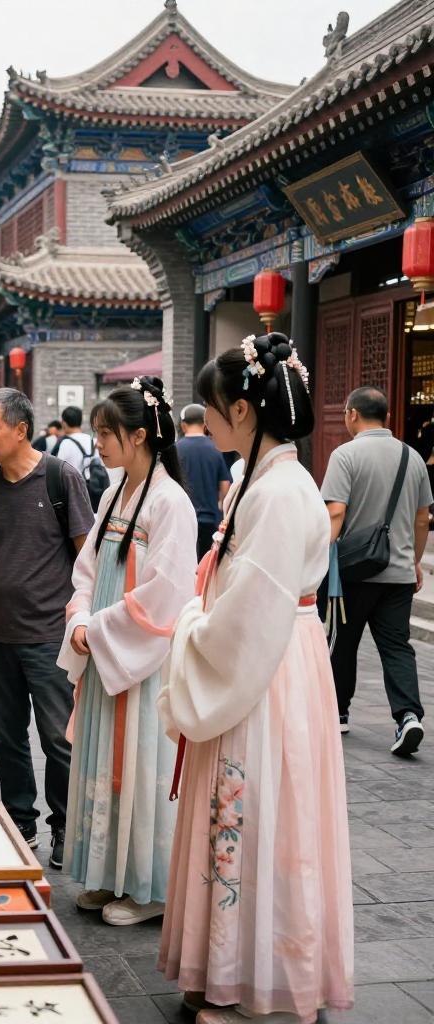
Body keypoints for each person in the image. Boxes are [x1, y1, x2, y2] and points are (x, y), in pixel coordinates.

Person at [157, 334, 353, 1023]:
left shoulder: (275, 492)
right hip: (272, 660)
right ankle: (230, 970)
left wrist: (189, 627)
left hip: (262, 666)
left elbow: (250, 608)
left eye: (211, 409)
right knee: (254, 812)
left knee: (257, 813)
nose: (204, 423)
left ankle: (250, 982)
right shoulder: (266, 479)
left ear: (242, 409)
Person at [57, 378, 196, 925]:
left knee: (140, 763)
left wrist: (100, 627)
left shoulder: (170, 502)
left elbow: (165, 590)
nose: (98, 444)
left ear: (138, 436)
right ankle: (108, 874)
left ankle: (148, 888)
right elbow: (88, 566)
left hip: (141, 656)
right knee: (104, 761)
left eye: (106, 433)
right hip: (105, 644)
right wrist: (81, 616)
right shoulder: (115, 493)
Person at [0, 388, 94, 868]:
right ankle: (21, 819)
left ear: (21, 429)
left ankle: (64, 825)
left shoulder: (61, 477)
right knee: (7, 733)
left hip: (49, 635)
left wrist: (85, 619)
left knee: (59, 736)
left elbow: (86, 552)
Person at [322, 385, 431, 751]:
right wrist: (414, 561)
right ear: (385, 416)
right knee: (397, 647)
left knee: (344, 643)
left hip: (354, 572)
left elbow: (334, 512)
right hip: (398, 573)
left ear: (352, 414)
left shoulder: (345, 456)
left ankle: (338, 713)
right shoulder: (412, 457)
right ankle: (407, 717)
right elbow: (421, 518)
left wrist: (317, 558)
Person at [176, 403, 231, 560]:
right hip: (210, 520)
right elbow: (225, 486)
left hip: (183, 519)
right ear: (205, 425)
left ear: (183, 425)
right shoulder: (216, 449)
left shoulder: (176, 450)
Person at [52, 405, 112, 512]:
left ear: (64, 423)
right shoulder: (93, 441)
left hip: (73, 495)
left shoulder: (65, 443)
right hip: (95, 492)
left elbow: (57, 472)